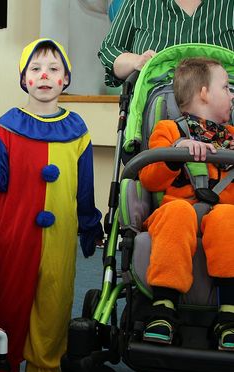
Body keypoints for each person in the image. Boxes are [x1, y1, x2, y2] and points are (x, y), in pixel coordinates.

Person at [0, 38, 103, 372]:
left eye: (54, 69)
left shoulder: (78, 128)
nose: (45, 76)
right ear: (24, 79)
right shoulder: (7, 125)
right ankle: (0, 369)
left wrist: (89, 223)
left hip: (60, 233)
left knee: (55, 300)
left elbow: (85, 186)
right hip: (16, 229)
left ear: (65, 79)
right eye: (36, 69)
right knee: (11, 299)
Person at [139, 57, 234, 349]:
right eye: (226, 88)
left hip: (222, 214)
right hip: (176, 212)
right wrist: (175, 152)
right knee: (178, 211)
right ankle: (163, 308)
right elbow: (149, 179)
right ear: (204, 93)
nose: (232, 95)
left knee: (228, 216)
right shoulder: (168, 130)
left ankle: (229, 314)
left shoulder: (232, 137)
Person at [98, 0, 234, 87]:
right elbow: (110, 50)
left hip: (223, 117)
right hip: (152, 113)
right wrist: (136, 61)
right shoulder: (140, 2)